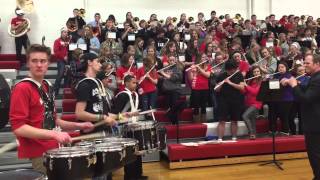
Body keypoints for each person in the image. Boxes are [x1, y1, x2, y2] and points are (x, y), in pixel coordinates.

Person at [9, 44, 94, 174]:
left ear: (48, 63)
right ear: (28, 63)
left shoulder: (46, 86)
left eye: (43, 61)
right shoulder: (22, 88)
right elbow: (19, 127)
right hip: (40, 153)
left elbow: (54, 120)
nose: (39, 65)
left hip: (55, 149)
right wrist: (54, 134)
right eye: (34, 61)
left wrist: (79, 125)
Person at [281, 54, 320, 180]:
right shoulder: (315, 78)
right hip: (315, 123)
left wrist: (294, 85)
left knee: (315, 156)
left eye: (307, 63)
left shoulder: (317, 79)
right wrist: (296, 83)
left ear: (317, 64)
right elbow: (310, 90)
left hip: (315, 124)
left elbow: (306, 98)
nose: (304, 65)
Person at [112, 75, 148, 180]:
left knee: (138, 151)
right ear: (126, 83)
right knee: (129, 153)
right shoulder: (122, 95)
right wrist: (128, 115)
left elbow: (138, 108)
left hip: (135, 126)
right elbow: (115, 113)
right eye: (133, 82)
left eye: (136, 83)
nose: (136, 84)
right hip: (125, 127)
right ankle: (129, 176)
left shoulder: (136, 94)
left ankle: (138, 174)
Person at [215, 60, 245, 141]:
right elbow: (217, 90)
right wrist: (221, 84)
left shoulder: (239, 75)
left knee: (234, 120)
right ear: (227, 69)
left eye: (234, 69)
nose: (233, 71)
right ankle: (220, 139)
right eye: (231, 69)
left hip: (235, 100)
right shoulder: (221, 75)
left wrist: (230, 83)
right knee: (222, 120)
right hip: (223, 100)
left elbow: (242, 88)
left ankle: (234, 138)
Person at [242, 66, 263, 140]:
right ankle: (254, 135)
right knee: (252, 120)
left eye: (258, 71)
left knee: (244, 116)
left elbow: (255, 92)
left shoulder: (261, 81)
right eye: (254, 72)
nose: (256, 73)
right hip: (248, 102)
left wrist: (246, 86)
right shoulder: (250, 81)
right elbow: (245, 92)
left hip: (256, 103)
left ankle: (251, 132)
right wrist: (242, 85)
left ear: (260, 72)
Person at [53, 27, 70, 96]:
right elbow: (56, 51)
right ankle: (55, 92)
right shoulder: (57, 41)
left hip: (68, 61)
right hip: (61, 60)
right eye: (64, 32)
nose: (65, 34)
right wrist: (63, 57)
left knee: (68, 76)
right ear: (61, 33)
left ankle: (66, 92)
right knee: (60, 75)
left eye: (66, 32)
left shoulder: (69, 41)